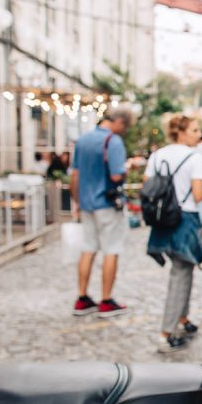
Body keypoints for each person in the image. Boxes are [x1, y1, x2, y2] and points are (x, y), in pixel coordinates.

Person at [144, 115, 202, 353]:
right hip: (185, 219)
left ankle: (182, 318)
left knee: (184, 269)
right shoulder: (195, 157)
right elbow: (198, 194)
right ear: (181, 132)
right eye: (194, 129)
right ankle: (166, 331)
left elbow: (147, 185)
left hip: (163, 220)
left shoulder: (158, 155)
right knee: (180, 273)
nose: (199, 134)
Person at [70, 104, 135, 317]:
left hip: (86, 203)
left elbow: (75, 175)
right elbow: (116, 175)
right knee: (111, 249)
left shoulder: (83, 139)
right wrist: (128, 168)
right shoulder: (113, 142)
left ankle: (82, 297)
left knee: (88, 249)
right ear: (119, 122)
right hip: (106, 204)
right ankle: (106, 300)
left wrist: (77, 201)